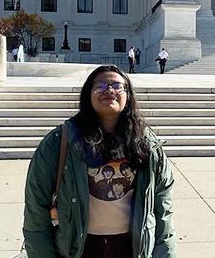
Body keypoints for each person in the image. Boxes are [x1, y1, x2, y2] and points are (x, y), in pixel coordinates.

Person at [23, 64, 175, 258]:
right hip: (79, 248)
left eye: (117, 86)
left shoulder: (147, 144)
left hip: (131, 248)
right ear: (88, 94)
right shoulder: (59, 142)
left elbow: (162, 210)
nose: (109, 90)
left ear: (128, 96)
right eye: (100, 86)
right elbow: (36, 211)